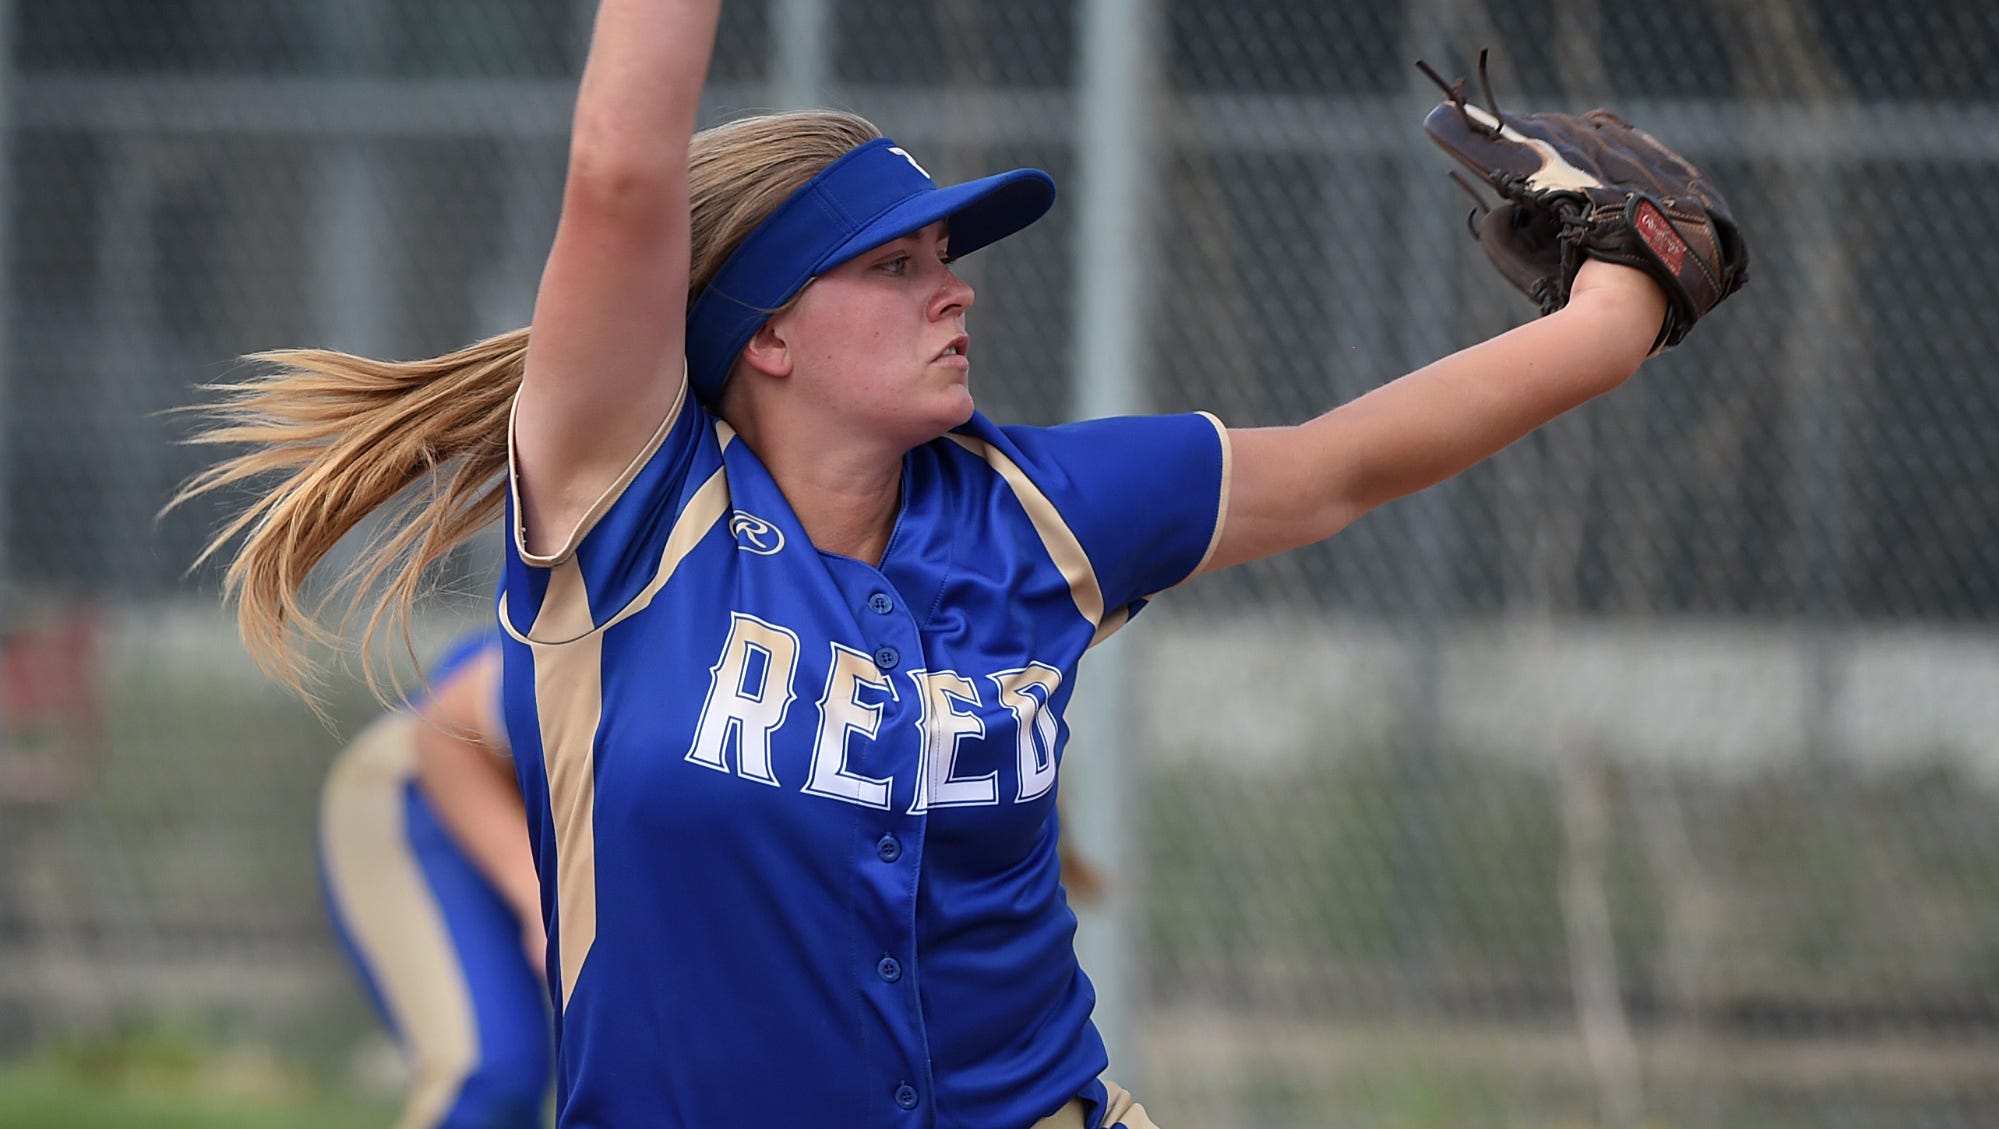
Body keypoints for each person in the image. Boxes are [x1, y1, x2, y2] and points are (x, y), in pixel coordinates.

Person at [172, 2, 1708, 1125]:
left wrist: (1612, 311)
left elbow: (1336, 467)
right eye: (892, 264)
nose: (951, 289)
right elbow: (621, 174)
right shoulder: (630, 513)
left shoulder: (1036, 511)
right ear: (764, 335)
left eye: (945, 257)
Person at [317, 629, 551, 1129]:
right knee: (487, 1077)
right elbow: (447, 727)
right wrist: (540, 901)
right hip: (424, 791)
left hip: (545, 818)